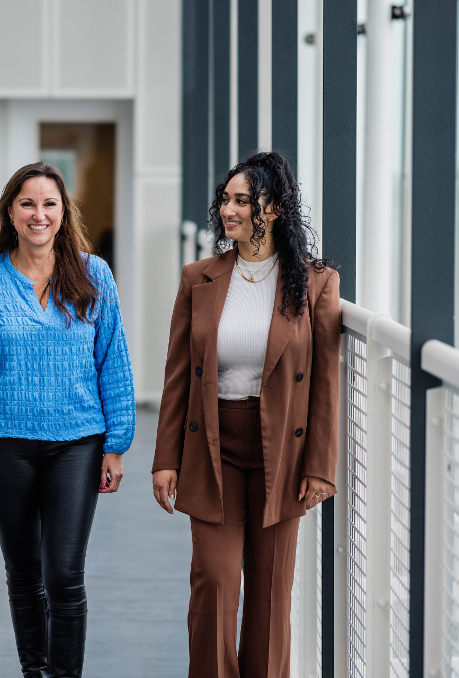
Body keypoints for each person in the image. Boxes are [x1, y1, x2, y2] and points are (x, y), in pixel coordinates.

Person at [0, 162, 135, 678]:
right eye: (28, 203)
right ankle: (37, 672)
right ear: (11, 211)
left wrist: (116, 443)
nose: (39, 214)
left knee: (65, 573)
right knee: (24, 573)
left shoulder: (94, 274)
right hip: (4, 444)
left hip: (78, 441)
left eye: (50, 204)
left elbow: (112, 360)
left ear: (63, 212)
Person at [151, 151, 340, 677]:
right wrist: (165, 458)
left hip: (283, 450)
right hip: (213, 445)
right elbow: (176, 376)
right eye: (226, 200)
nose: (228, 210)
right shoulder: (200, 278)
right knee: (213, 581)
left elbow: (325, 379)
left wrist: (321, 465)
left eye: (242, 200)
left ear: (273, 209)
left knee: (270, 594)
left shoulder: (315, 282)